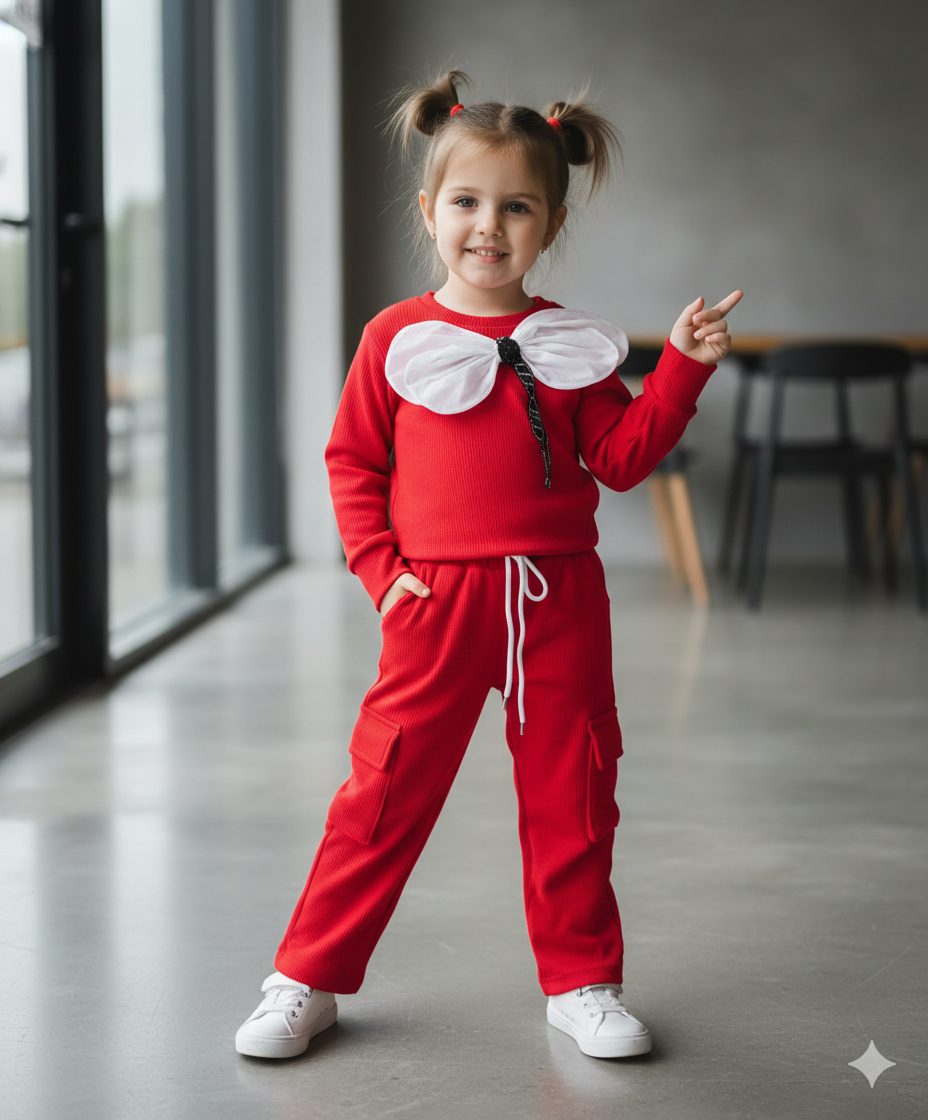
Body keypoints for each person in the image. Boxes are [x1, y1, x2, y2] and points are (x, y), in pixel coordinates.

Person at [235, 70, 742, 1061]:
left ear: (551, 223)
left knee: (574, 791)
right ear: (430, 209)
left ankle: (583, 982)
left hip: (559, 602)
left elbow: (621, 459)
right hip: (435, 602)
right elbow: (352, 463)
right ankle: (306, 978)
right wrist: (384, 575)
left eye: (517, 207)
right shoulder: (393, 337)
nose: (488, 226)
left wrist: (680, 367)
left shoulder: (572, 345)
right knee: (382, 792)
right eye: (467, 201)